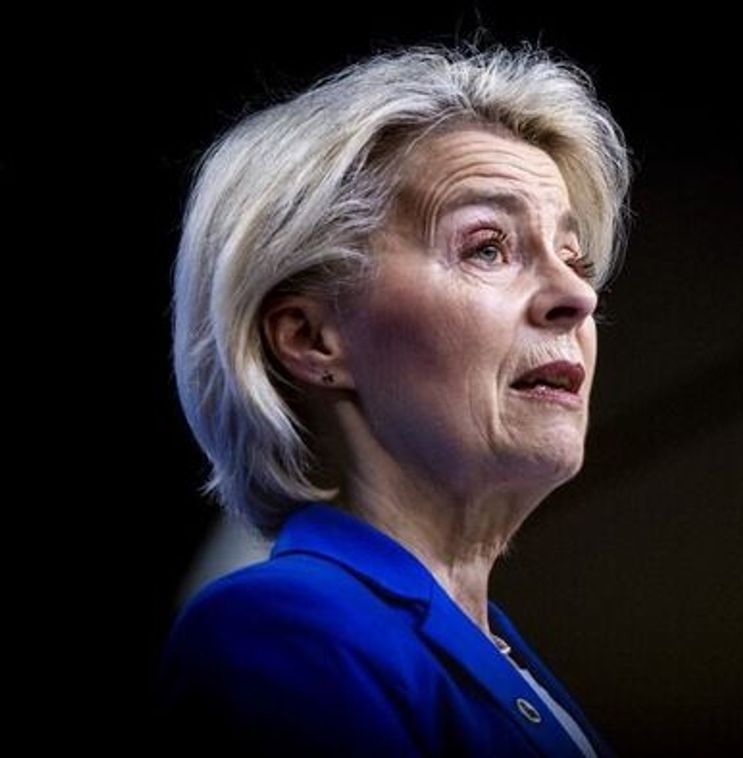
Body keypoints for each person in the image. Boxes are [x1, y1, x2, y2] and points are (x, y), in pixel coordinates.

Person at [158, 44, 630, 756]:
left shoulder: (504, 660)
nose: (576, 296)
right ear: (312, 339)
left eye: (573, 257)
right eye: (487, 247)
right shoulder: (281, 631)